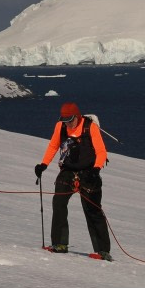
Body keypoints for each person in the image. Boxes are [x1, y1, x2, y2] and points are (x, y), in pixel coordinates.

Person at [34, 102, 111, 260]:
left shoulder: (90, 127)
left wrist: (96, 169)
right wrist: (43, 164)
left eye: (70, 120)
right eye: (65, 120)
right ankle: (59, 244)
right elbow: (53, 146)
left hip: (89, 172)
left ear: (77, 116)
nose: (68, 123)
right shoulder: (60, 126)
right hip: (67, 172)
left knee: (93, 210)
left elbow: (101, 151)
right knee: (59, 203)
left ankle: (103, 251)